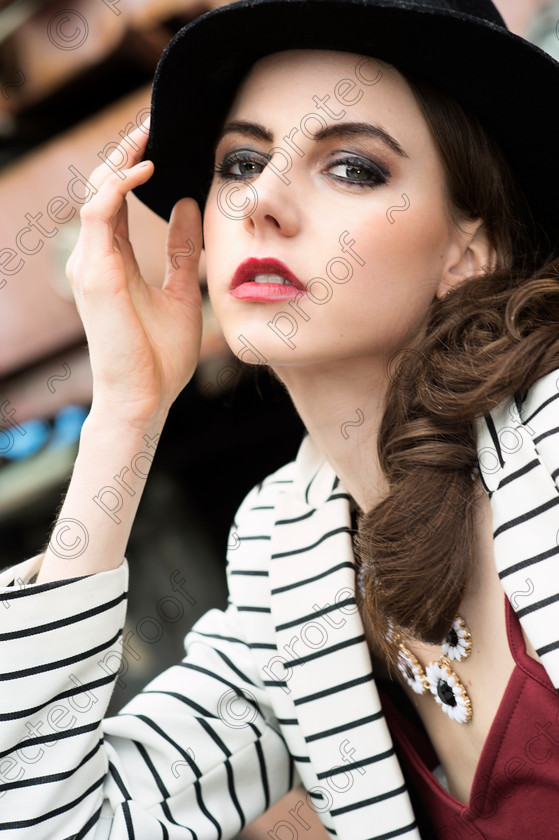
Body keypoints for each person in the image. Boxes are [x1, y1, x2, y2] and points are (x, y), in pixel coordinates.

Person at [1, 0, 559, 837]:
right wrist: (125, 413)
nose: (262, 200)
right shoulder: (284, 559)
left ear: (466, 250)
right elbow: (40, 818)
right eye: (241, 161)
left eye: (352, 168)